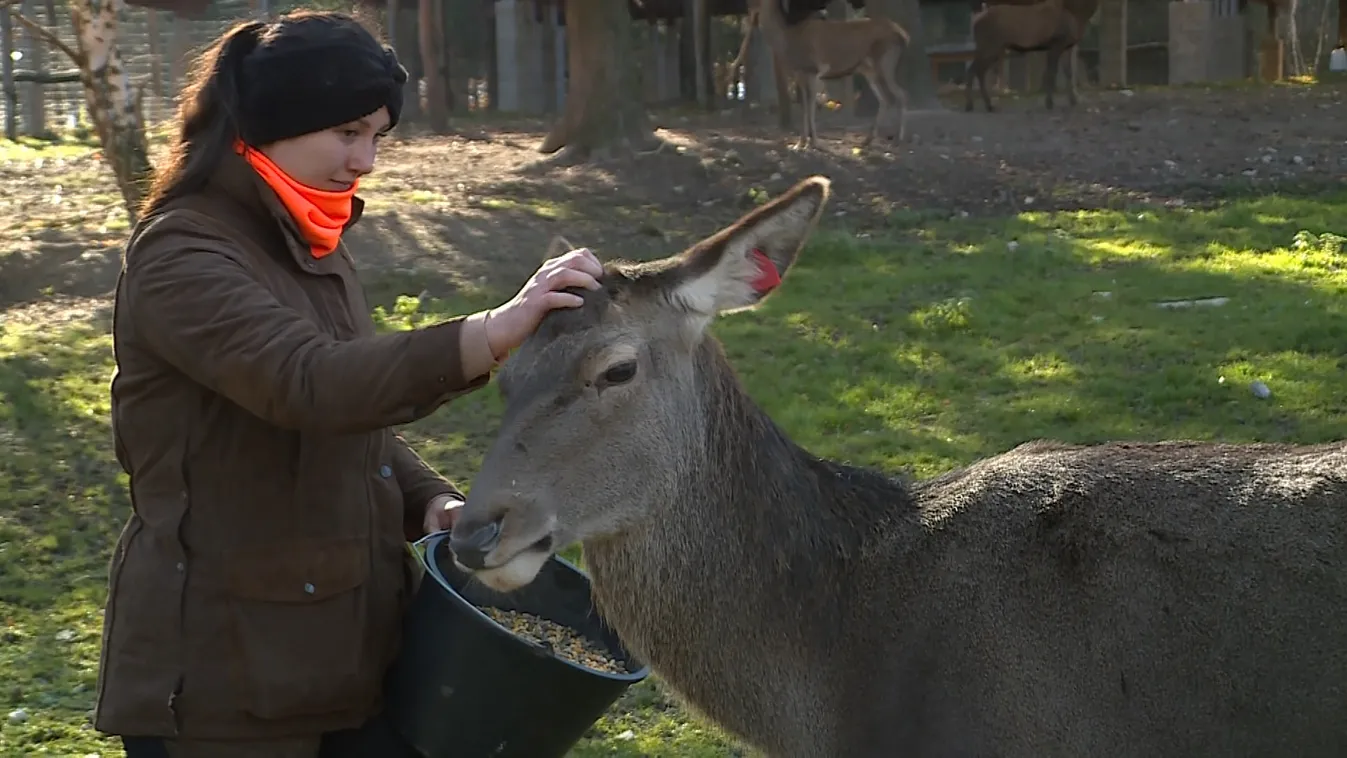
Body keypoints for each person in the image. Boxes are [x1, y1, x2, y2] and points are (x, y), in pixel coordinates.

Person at [95, 10, 602, 758]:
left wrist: (424, 499)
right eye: (346, 132)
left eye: (376, 137)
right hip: (223, 684)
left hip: (343, 655)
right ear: (271, 123)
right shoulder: (183, 253)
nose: (364, 159)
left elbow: (344, 417)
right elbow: (308, 384)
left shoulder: (309, 239)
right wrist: (494, 331)